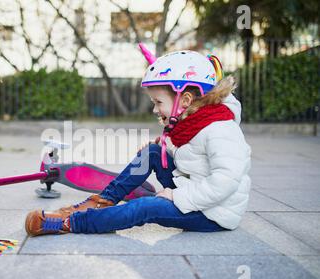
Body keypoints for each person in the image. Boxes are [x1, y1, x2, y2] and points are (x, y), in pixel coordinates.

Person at [25, 47, 251, 237]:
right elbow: (195, 159)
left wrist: (176, 196)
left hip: (212, 213)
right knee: (153, 152)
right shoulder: (195, 120)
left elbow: (225, 181)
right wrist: (166, 150)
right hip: (194, 192)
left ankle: (74, 223)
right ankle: (102, 201)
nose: (155, 109)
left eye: (158, 101)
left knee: (146, 207)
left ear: (185, 99)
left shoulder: (221, 129)